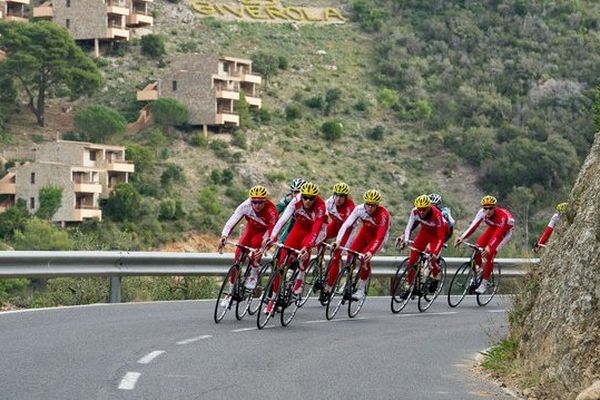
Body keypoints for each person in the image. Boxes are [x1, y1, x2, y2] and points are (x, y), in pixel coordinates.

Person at [263, 182, 328, 314]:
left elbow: (315, 231)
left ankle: (300, 277)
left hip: (316, 232)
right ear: (301, 196)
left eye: (311, 198)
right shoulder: (296, 200)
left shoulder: (320, 207)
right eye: (305, 197)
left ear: (315, 198)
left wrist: (308, 246)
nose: (307, 201)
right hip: (299, 227)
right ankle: (273, 299)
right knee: (281, 264)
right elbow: (282, 220)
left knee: (305, 249)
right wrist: (273, 236)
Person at [217, 185, 279, 307]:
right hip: (251, 228)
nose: (256, 205)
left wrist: (264, 248)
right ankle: (230, 293)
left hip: (265, 232)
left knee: (257, 245)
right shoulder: (245, 206)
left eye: (260, 202)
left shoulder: (271, 211)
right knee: (238, 256)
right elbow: (231, 222)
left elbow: (273, 232)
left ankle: (254, 272)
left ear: (265, 201)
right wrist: (224, 236)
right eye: (254, 202)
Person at [333, 189, 391, 301]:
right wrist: (338, 240)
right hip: (365, 232)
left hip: (378, 237)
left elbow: (380, 237)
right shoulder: (359, 209)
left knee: (365, 258)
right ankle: (348, 283)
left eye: (373, 205)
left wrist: (371, 252)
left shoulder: (383, 214)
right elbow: (346, 225)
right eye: (368, 204)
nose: (369, 208)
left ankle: (362, 288)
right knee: (351, 254)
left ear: (377, 205)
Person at [454, 195, 515, 294]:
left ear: (495, 207)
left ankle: (484, 282)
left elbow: (497, 234)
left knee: (490, 254)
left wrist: (489, 247)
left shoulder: (502, 216)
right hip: (492, 229)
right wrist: (462, 237)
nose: (488, 211)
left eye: (490, 208)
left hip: (504, 233)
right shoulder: (481, 213)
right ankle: (479, 271)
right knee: (477, 247)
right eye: (485, 208)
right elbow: (473, 226)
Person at [396, 194, 447, 296]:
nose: (422, 211)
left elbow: (441, 237)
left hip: (437, 235)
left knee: (432, 257)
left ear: (429, 207)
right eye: (420, 209)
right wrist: (406, 239)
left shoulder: (437, 215)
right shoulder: (415, 211)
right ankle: (409, 286)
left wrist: (435, 252)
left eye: (424, 209)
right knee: (412, 260)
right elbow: (409, 227)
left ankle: (436, 275)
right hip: (424, 232)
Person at [319, 182, 356, 302]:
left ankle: (329, 287)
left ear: (346, 197)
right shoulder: (329, 202)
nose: (338, 199)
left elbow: (346, 226)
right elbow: (321, 218)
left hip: (347, 230)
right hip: (335, 225)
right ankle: (321, 263)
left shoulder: (350, 207)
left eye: (342, 196)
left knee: (336, 255)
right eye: (336, 195)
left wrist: (338, 242)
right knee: (319, 238)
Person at [276, 177, 306, 242]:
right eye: (292, 191)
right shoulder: (289, 198)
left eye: (297, 192)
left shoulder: (308, 201)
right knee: (281, 242)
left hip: (305, 227)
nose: (294, 194)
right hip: (293, 224)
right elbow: (276, 210)